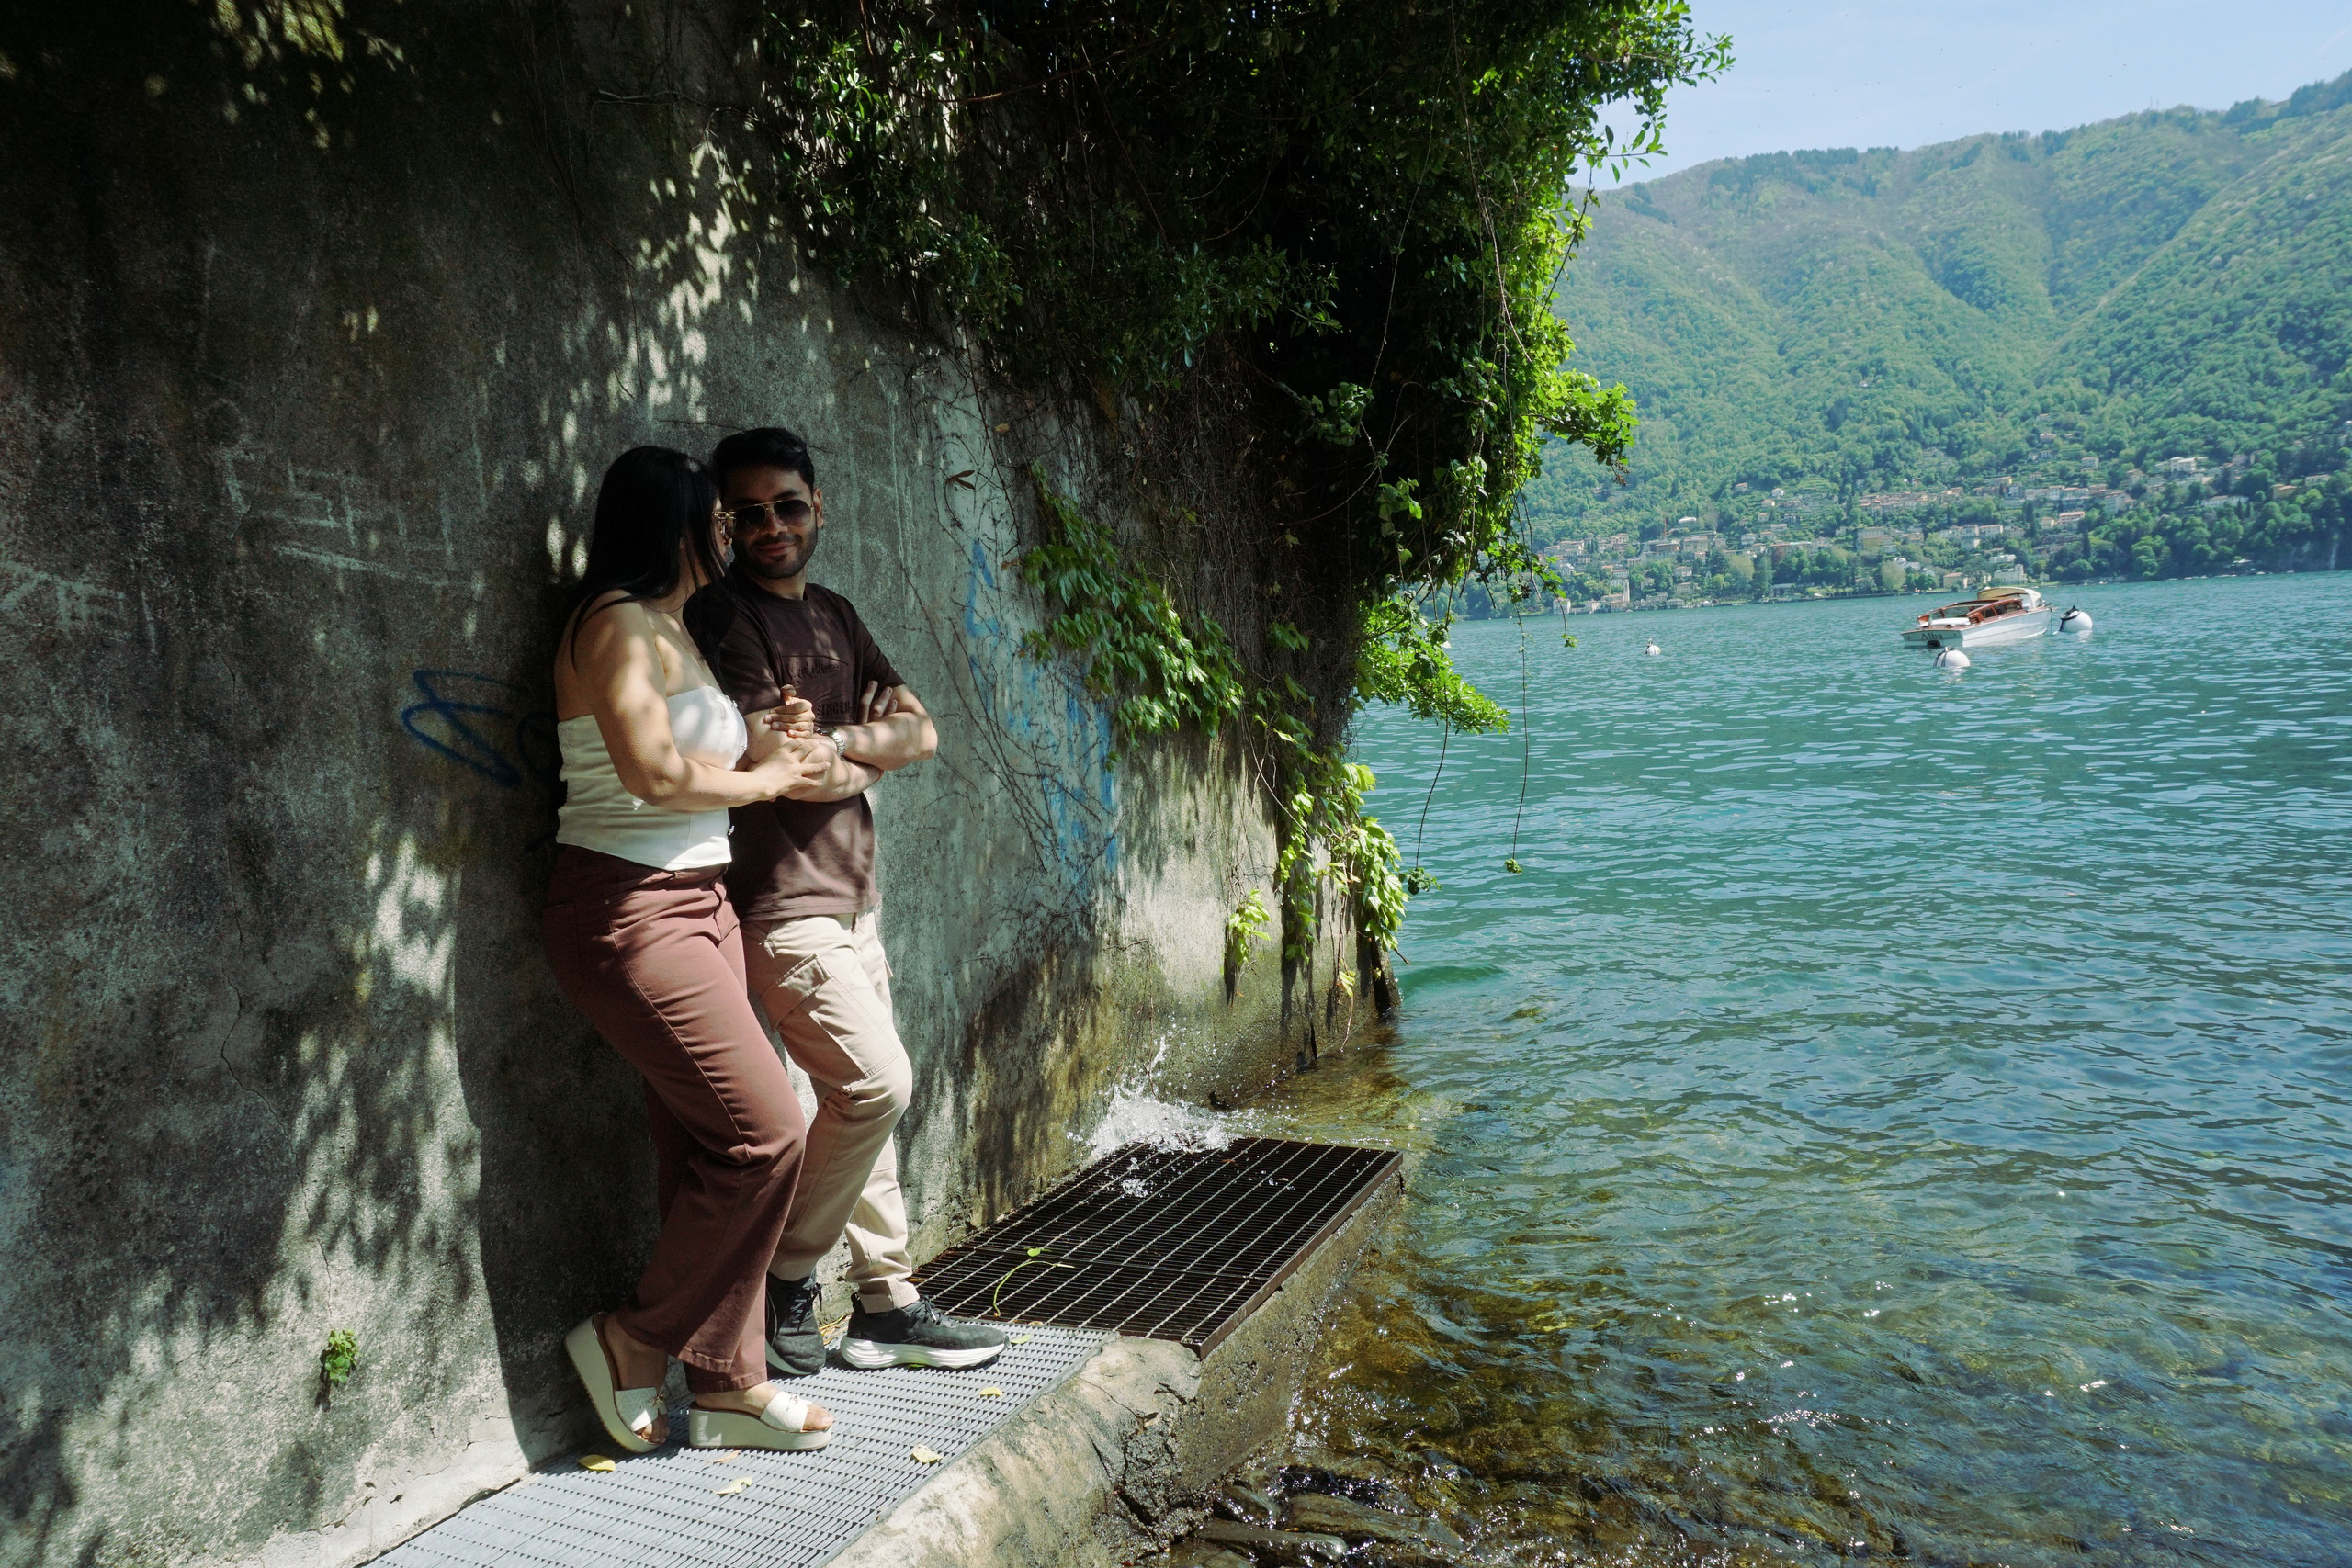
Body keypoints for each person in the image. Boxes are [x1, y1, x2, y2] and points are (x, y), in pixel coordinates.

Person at [541, 446, 843, 1454]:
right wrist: (761, 787)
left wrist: (772, 748)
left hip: (698, 900)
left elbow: (703, 760)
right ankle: (632, 1339)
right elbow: (652, 772)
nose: (732, 535)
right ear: (673, 526)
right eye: (716, 521)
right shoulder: (615, 625)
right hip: (628, 910)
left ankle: (724, 1385)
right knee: (770, 1133)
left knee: (706, 1146)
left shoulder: (673, 627)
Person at [687, 426, 1007, 1374]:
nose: (771, 526)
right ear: (726, 525)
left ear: (818, 506)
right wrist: (849, 752)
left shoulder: (834, 614)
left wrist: (839, 749)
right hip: (779, 903)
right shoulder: (724, 620)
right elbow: (779, 770)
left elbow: (924, 732)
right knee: (876, 1086)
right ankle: (790, 1269)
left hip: (856, 894)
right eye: (748, 514)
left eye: (787, 505)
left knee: (863, 1102)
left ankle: (886, 1303)